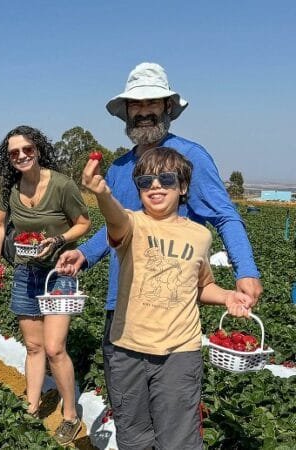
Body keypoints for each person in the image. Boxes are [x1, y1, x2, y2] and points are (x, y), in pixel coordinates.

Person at [56, 62, 262, 400]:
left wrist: (246, 270)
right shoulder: (122, 168)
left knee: (173, 411)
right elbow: (119, 226)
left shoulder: (190, 157)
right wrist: (84, 254)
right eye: (136, 105)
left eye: (152, 103)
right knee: (128, 408)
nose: (143, 112)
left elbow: (225, 215)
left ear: (167, 107)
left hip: (170, 309)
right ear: (125, 113)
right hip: (121, 307)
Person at [80, 147, 251, 449]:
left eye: (166, 179)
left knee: (179, 439)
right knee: (133, 437)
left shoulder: (200, 236)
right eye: (146, 182)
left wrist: (227, 296)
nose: (155, 186)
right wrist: (103, 195)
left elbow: (200, 286)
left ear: (183, 187)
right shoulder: (132, 223)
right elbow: (116, 219)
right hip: (127, 349)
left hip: (179, 352)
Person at [0, 125, 91, 445]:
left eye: (27, 149)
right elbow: (0, 225)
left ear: (38, 149)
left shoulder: (62, 185)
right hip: (26, 272)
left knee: (54, 347)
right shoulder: (10, 187)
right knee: (33, 347)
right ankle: (30, 406)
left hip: (60, 273)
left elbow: (84, 223)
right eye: (14, 153)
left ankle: (70, 416)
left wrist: (58, 239)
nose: (21, 156)